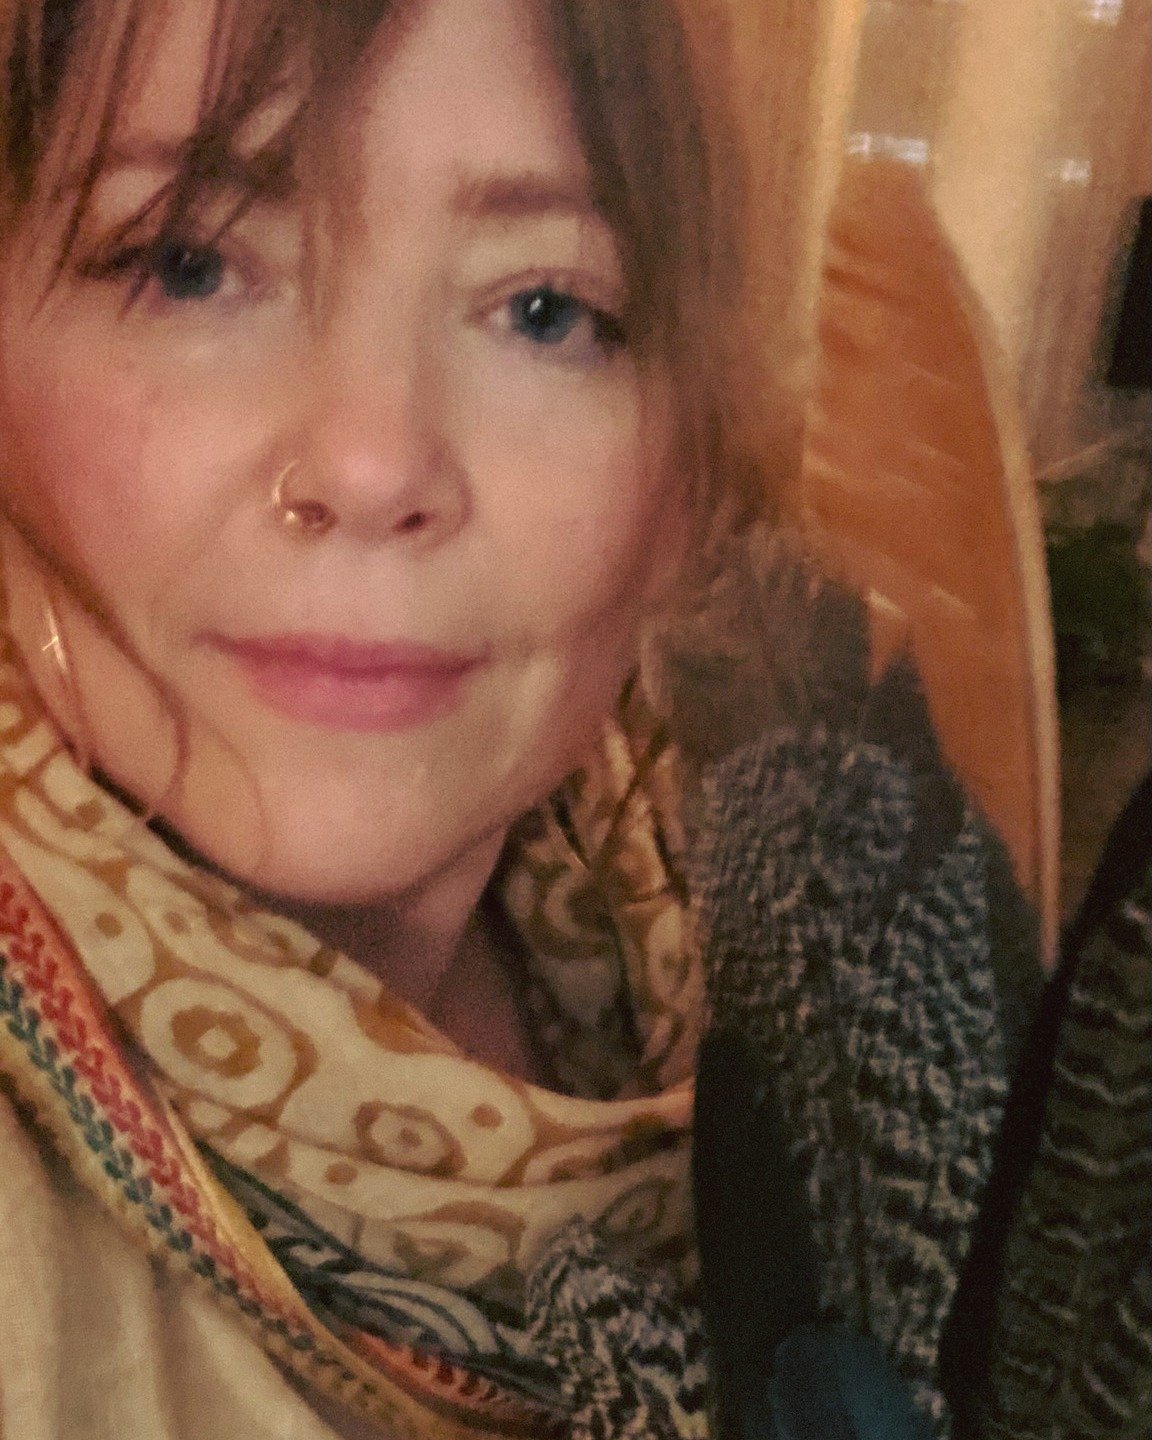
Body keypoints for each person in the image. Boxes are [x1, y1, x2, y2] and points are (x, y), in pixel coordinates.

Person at [0, 0, 1040, 1436]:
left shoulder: (753, 926)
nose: (373, 464)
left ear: (686, 479)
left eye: (544, 310)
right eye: (194, 264)